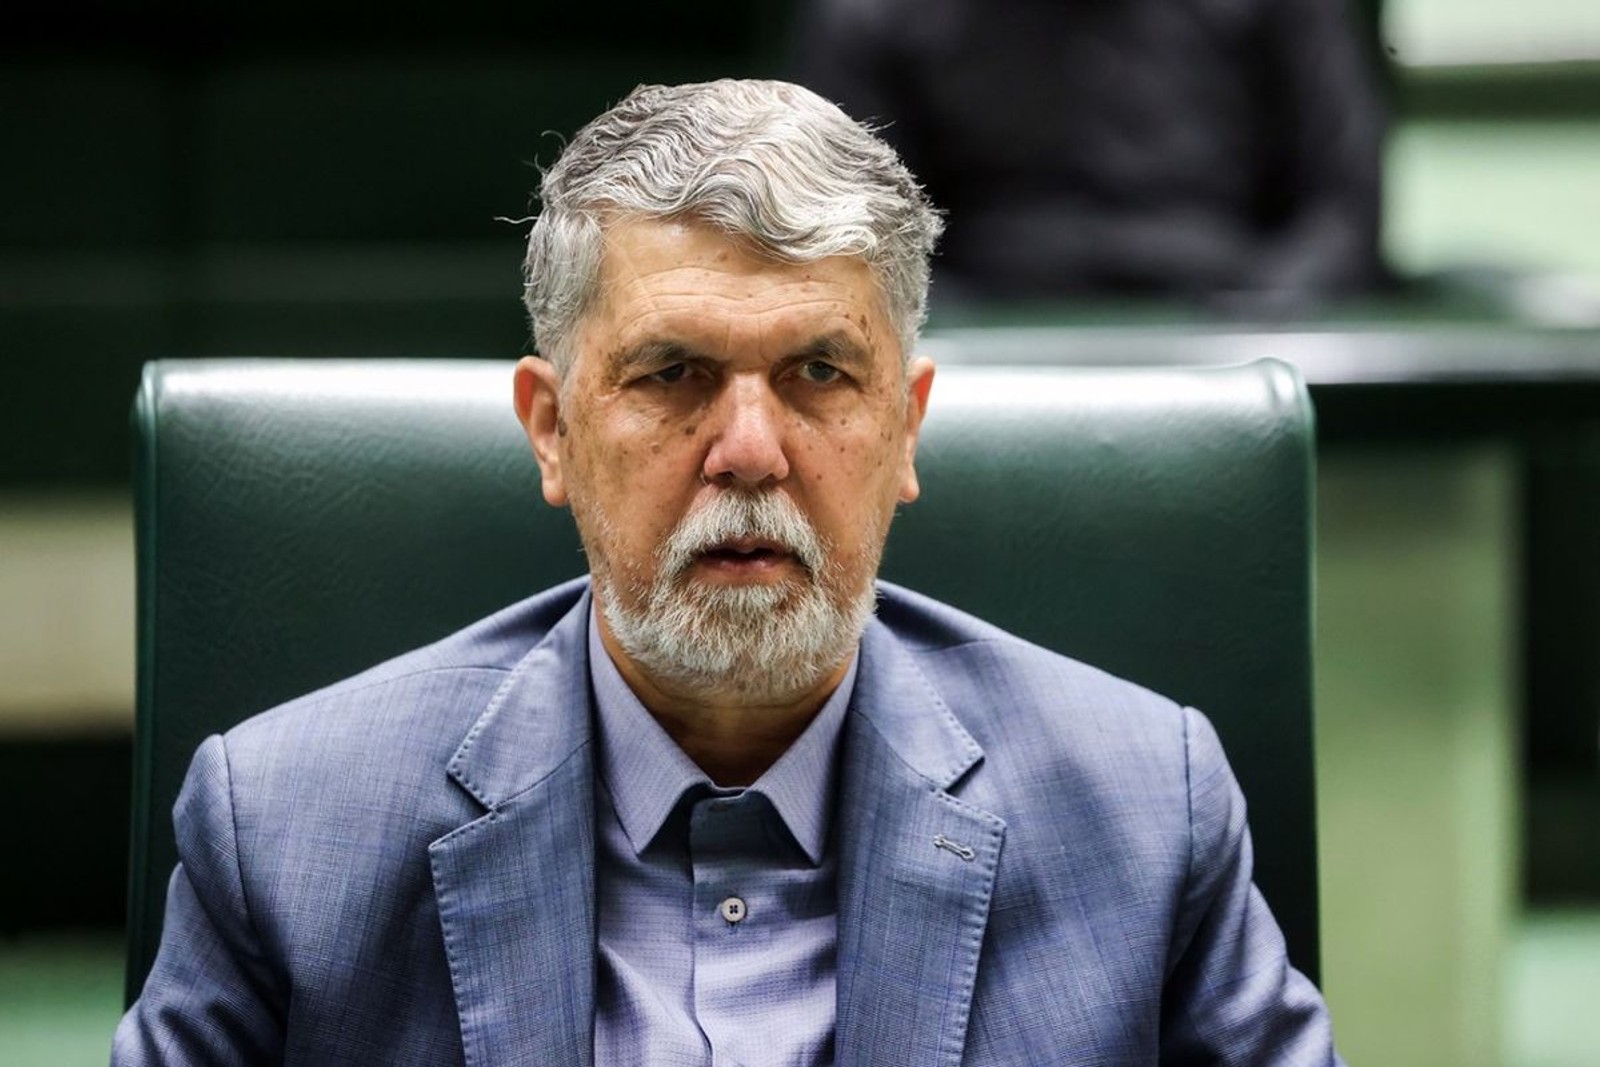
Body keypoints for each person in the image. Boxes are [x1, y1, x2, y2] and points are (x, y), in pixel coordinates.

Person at [114, 79, 1342, 1065]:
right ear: (552, 430)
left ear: (905, 428)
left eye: (819, 373)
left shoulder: (1144, 811)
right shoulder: (284, 828)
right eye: (672, 374)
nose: (749, 451)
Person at [795, 0, 1389, 313]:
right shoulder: (876, 12)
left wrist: (1268, 313)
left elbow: (1344, 203)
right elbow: (848, 226)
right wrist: (931, 322)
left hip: (1227, 314)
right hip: (977, 332)